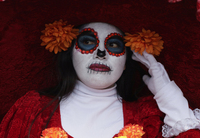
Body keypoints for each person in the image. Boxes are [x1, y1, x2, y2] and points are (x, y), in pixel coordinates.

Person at [0, 22, 200, 138]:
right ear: (69, 54)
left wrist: (169, 96)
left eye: (113, 45)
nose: (101, 53)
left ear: (127, 59)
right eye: (87, 42)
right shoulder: (33, 108)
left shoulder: (148, 116)